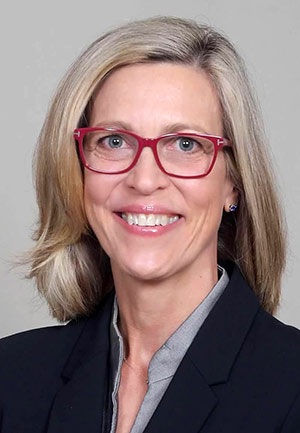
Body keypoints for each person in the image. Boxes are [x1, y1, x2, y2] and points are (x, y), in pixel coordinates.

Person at [1, 15, 300, 433]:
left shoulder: (292, 388)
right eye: (114, 141)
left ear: (234, 182)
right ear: (78, 170)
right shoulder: (10, 377)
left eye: (185, 144)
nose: (144, 180)